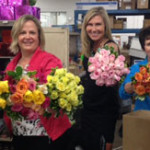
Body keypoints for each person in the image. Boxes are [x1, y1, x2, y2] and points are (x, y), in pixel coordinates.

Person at [3, 14, 71, 150]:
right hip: (20, 132)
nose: (27, 37)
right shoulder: (12, 65)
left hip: (45, 135)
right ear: (16, 37)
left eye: (32, 32)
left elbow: (55, 96)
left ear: (39, 37)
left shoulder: (50, 61)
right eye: (23, 32)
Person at [77, 7, 120, 150]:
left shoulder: (110, 47)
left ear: (105, 26)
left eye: (98, 24)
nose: (93, 29)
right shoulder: (90, 46)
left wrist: (109, 134)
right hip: (87, 110)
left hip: (102, 114)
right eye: (90, 24)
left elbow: (110, 90)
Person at [119, 26, 150, 111]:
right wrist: (132, 86)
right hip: (143, 118)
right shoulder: (137, 68)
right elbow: (122, 94)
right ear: (144, 48)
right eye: (149, 44)